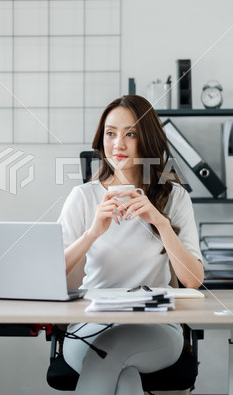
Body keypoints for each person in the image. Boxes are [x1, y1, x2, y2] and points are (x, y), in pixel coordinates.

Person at [57, 95, 204, 395]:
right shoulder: (83, 197)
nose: (118, 144)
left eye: (130, 134)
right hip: (89, 326)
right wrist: (92, 234)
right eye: (111, 133)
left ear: (147, 139)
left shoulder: (174, 198)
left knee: (110, 353)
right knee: (125, 377)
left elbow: (193, 281)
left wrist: (160, 223)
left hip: (158, 328)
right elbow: (49, 277)